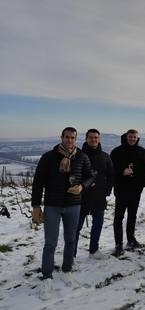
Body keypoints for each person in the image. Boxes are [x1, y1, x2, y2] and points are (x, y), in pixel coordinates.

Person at [31, 127, 95, 300]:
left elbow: (90, 176)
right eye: (67, 137)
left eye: (73, 138)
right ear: (61, 137)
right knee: (50, 243)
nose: (69, 140)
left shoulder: (82, 157)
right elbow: (38, 183)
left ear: (76, 138)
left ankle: (66, 270)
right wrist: (36, 205)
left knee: (71, 239)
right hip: (52, 205)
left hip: (74, 205)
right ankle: (47, 277)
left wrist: (82, 186)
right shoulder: (49, 157)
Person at [74, 129, 115, 261]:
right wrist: (82, 184)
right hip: (81, 196)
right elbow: (72, 175)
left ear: (99, 139)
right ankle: (72, 254)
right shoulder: (77, 155)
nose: (93, 140)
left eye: (96, 137)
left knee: (98, 224)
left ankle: (94, 250)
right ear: (86, 139)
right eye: (90, 137)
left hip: (99, 195)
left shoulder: (104, 156)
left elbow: (111, 174)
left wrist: (106, 191)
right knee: (76, 227)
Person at [110, 129, 145, 256]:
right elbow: (111, 170)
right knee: (119, 216)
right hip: (121, 189)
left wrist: (141, 183)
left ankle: (131, 239)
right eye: (130, 137)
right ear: (126, 137)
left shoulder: (141, 151)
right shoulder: (117, 152)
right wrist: (122, 172)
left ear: (137, 138)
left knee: (132, 215)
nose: (132, 139)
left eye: (134, 137)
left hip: (135, 189)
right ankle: (118, 243)